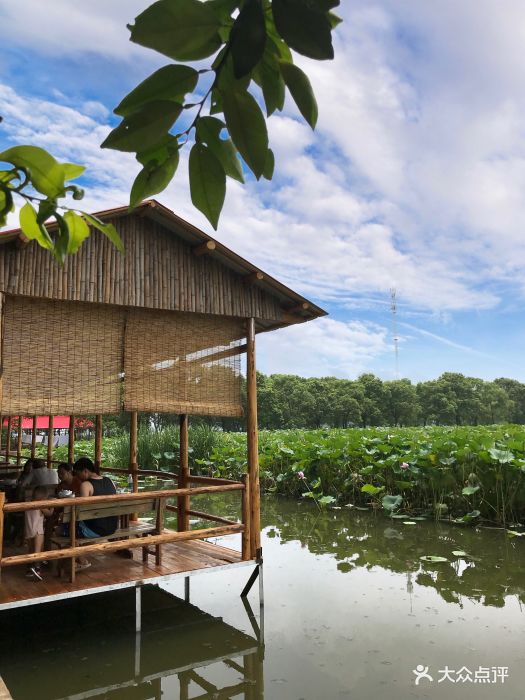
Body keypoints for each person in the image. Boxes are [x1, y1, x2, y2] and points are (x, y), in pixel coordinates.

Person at [72, 458, 117, 538]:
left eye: (78, 474)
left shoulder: (86, 485)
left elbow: (82, 511)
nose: (77, 477)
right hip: (112, 528)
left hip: (94, 530)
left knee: (60, 529)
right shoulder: (110, 481)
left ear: (85, 471)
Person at [24, 485, 54, 580]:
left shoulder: (28, 503)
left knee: (31, 550)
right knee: (38, 551)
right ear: (43, 498)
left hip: (28, 530)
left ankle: (29, 568)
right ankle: (37, 569)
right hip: (38, 531)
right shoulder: (40, 505)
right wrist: (52, 506)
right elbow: (49, 514)